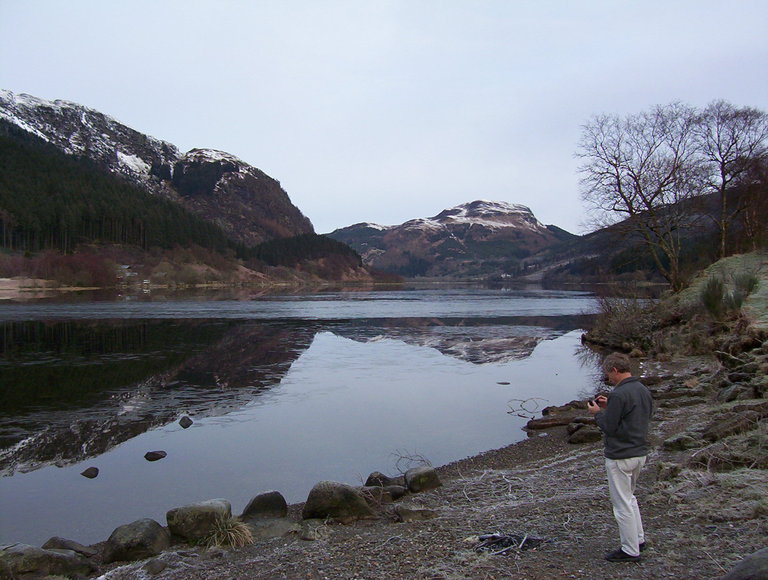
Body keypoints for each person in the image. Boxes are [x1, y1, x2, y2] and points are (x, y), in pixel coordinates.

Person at [587, 352, 654, 563]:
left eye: (609, 374)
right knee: (630, 498)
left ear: (615, 370)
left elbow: (609, 427)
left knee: (622, 504)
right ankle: (639, 539)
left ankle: (630, 550)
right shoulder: (641, 389)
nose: (608, 378)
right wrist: (610, 406)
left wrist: (597, 413)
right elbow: (633, 415)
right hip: (639, 452)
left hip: (620, 456)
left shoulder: (619, 394)